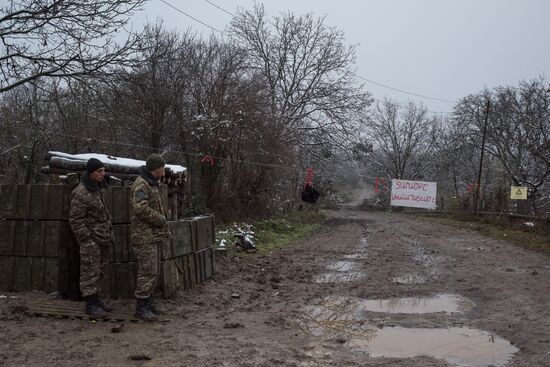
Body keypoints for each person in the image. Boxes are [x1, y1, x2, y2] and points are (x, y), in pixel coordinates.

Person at [69, 158, 114, 318]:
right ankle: (90, 303)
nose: (103, 174)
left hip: (103, 237)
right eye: (99, 171)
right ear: (90, 173)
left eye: (103, 170)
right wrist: (87, 238)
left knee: (99, 270)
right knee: (89, 271)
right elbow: (75, 219)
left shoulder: (99, 188)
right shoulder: (81, 192)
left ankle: (96, 299)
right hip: (91, 239)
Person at [130, 153, 170, 321]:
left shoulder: (152, 184)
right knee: (147, 271)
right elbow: (140, 208)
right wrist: (160, 219)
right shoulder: (142, 185)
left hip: (153, 235)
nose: (164, 170)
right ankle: (141, 307)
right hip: (144, 235)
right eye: (162, 167)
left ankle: (148, 303)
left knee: (153, 271)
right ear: (156, 169)